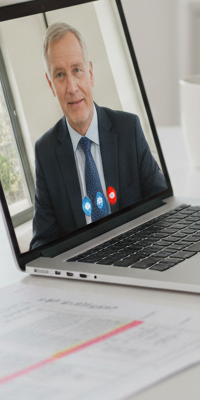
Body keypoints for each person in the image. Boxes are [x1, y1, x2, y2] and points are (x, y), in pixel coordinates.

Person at [30, 22, 165, 249]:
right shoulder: (45, 151)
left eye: (77, 70)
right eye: (60, 75)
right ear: (51, 84)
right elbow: (42, 243)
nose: (72, 87)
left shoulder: (128, 129)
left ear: (90, 74)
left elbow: (164, 204)